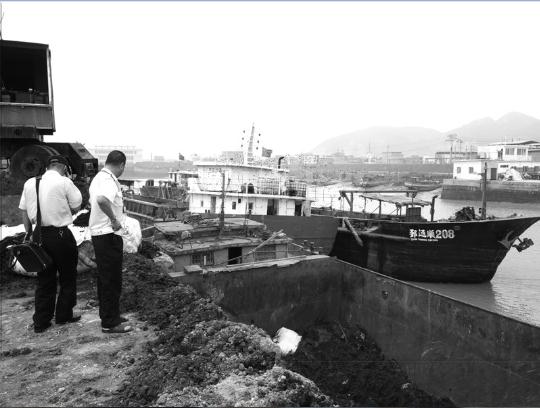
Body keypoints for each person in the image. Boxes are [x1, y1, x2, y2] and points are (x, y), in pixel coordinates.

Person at [19, 155, 82, 333]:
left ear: (48, 166)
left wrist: (29, 232)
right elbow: (77, 206)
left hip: (38, 236)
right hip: (60, 235)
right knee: (67, 277)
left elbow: (24, 211)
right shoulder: (64, 182)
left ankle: (41, 321)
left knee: (44, 279)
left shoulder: (30, 183)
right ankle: (63, 315)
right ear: (64, 168)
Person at [88, 150, 132, 333]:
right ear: (121, 164)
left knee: (106, 279)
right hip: (108, 235)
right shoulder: (109, 180)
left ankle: (110, 315)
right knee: (111, 280)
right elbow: (101, 200)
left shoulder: (98, 178)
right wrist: (114, 220)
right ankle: (110, 323)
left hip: (100, 235)